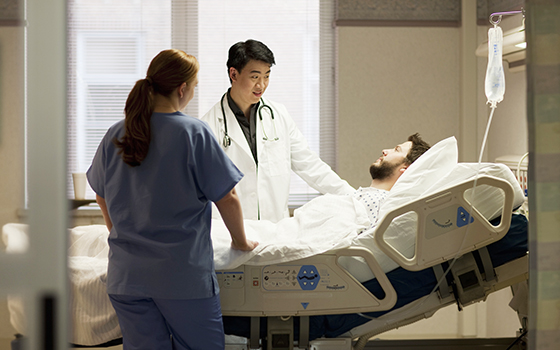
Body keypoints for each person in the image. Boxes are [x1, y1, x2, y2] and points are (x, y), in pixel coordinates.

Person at [86, 49, 258, 350]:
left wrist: (118, 231)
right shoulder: (193, 133)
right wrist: (241, 242)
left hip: (127, 277)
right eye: (194, 85)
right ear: (182, 89)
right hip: (181, 279)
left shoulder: (117, 133)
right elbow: (227, 197)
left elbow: (100, 193)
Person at [222, 132, 431, 341]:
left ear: (405, 170)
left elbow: (336, 235)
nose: (385, 150)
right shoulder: (361, 197)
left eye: (396, 150)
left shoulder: (385, 206)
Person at [201, 39, 354, 223]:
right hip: (231, 234)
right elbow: (207, 191)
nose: (262, 85)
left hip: (275, 229)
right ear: (233, 74)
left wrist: (353, 197)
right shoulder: (209, 126)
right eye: (254, 77)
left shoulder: (278, 115)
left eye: (267, 76)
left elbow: (310, 165)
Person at [353, 133, 431, 228]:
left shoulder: (379, 202)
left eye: (396, 150)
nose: (384, 151)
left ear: (406, 168)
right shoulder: (363, 196)